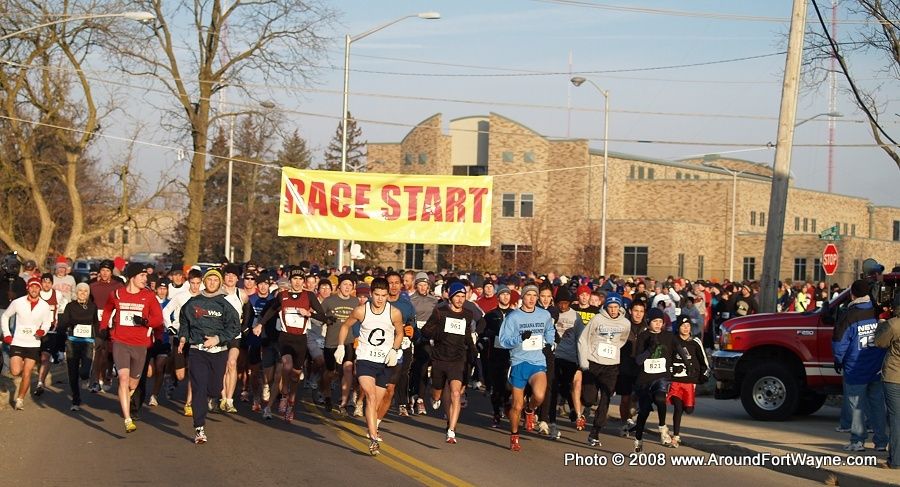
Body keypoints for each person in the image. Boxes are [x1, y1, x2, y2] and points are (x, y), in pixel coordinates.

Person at [334, 277, 403, 455]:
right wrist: (340, 346)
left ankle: (371, 428)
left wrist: (394, 350)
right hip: (365, 360)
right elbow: (345, 326)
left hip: (385, 362)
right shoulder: (361, 311)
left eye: (384, 295)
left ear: (387, 295)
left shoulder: (394, 313)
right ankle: (373, 439)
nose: (380, 299)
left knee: (376, 402)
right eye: (377, 295)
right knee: (371, 397)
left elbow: (399, 333)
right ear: (371, 294)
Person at [177, 268, 241, 444]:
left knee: (214, 389)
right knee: (199, 388)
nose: (212, 283)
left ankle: (211, 398)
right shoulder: (193, 302)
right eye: (209, 279)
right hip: (197, 351)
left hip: (219, 352)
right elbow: (184, 321)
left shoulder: (225, 304)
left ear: (220, 283)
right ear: (204, 281)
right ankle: (199, 428)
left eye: (216, 280)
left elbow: (235, 327)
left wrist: (217, 339)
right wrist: (183, 337)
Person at [100, 262, 164, 434]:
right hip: (120, 342)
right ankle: (128, 419)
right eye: (142, 276)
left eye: (146, 276)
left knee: (133, 383)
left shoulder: (148, 296)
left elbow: (158, 319)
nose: (145, 279)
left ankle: (126, 397)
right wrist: (104, 327)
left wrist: (144, 322)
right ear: (132, 277)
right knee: (123, 378)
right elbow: (107, 310)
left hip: (140, 345)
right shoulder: (117, 294)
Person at [257, 266, 326, 422]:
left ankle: (291, 403)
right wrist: (260, 324)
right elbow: (271, 311)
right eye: (295, 279)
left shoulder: (309, 296)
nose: (297, 282)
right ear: (290, 280)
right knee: (286, 366)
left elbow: (322, 316)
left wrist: (309, 313)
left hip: (300, 340)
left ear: (304, 281)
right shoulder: (283, 295)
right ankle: (284, 395)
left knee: (295, 376)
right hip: (285, 337)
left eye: (300, 279)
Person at [498, 284, 555, 452]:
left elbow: (550, 330)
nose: (531, 298)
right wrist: (519, 338)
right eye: (528, 295)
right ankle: (514, 435)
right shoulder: (513, 317)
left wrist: (549, 343)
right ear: (522, 297)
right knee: (516, 406)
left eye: (534, 295)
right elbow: (503, 341)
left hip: (537, 362)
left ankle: (530, 410)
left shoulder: (544, 315)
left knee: (539, 395)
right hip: (518, 362)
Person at [833, 279, 888, 452]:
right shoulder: (877, 312)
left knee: (856, 406)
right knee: (877, 406)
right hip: (876, 366)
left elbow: (839, 342)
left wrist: (838, 360)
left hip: (855, 368)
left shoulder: (849, 316)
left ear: (852, 295)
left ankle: (858, 441)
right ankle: (881, 442)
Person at [421, 281, 476, 444]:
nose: (460, 300)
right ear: (450, 297)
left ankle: (451, 430)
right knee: (437, 393)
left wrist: (473, 349)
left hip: (458, 358)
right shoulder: (440, 312)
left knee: (456, 393)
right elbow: (425, 331)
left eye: (463, 296)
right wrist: (439, 333)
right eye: (457, 296)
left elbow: (467, 333)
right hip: (440, 357)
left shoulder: (468, 314)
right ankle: (434, 397)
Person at [578, 292, 630, 447]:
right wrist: (584, 361)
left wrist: (613, 350)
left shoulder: (625, 323)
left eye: (616, 307)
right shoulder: (597, 319)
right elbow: (584, 339)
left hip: (611, 366)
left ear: (619, 307)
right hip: (594, 362)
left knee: (606, 398)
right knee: (589, 399)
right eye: (610, 307)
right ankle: (585, 405)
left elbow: (622, 339)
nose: (613, 310)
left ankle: (595, 433)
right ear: (606, 307)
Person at [2, 278, 53, 410]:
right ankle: (21, 362)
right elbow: (5, 316)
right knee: (15, 371)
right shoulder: (17, 302)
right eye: (32, 287)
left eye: (37, 287)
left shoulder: (44, 306)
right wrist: (7, 334)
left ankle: (20, 400)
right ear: (28, 288)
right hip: (18, 341)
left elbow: (47, 322)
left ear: (40, 289)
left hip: (33, 343)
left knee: (27, 372)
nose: (34, 289)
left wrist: (43, 330)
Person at [632, 308, 679, 452]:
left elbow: (679, 349)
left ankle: (662, 427)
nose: (658, 324)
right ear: (648, 322)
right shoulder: (643, 336)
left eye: (660, 321)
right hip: (644, 380)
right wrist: (649, 350)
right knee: (644, 412)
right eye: (655, 321)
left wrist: (686, 366)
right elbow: (638, 361)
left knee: (660, 399)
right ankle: (638, 441)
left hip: (661, 377)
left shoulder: (668, 336)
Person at [163, 269, 203, 416]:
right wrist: (170, 326)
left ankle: (188, 403)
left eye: (198, 283)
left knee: (194, 372)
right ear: (188, 282)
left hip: (196, 339)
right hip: (179, 336)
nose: (195, 286)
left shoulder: (204, 298)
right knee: (181, 375)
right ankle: (172, 378)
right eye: (193, 283)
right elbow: (166, 311)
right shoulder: (180, 297)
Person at [378, 271, 417, 419]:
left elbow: (412, 322)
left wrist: (412, 329)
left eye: (396, 283)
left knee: (403, 373)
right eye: (390, 283)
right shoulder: (378, 301)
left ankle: (401, 403)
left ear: (401, 285)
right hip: (382, 344)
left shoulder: (406, 305)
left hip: (402, 344)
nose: (393, 286)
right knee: (382, 374)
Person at [548, 285, 584, 439]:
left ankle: (573, 408)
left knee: (567, 386)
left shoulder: (576, 317)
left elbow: (581, 339)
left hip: (570, 357)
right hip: (554, 356)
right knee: (553, 388)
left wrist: (582, 360)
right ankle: (552, 422)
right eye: (560, 303)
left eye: (565, 303)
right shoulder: (552, 314)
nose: (562, 306)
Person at [668, 315, 709, 448]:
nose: (686, 328)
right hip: (675, 381)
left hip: (690, 381)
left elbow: (704, 361)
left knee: (689, 409)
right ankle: (675, 436)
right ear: (678, 327)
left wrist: (703, 375)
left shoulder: (696, 342)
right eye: (683, 325)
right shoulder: (673, 341)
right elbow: (667, 359)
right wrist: (672, 370)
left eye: (688, 325)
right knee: (678, 407)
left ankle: (686, 408)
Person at [321, 273, 359, 416]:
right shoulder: (329, 301)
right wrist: (325, 319)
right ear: (339, 286)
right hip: (331, 342)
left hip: (349, 341)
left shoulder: (356, 302)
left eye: (350, 285)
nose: (347, 287)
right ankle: (326, 394)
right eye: (345, 284)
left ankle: (343, 402)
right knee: (331, 372)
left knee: (348, 369)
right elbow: (318, 315)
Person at [58, 282, 99, 411]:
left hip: (87, 342)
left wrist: (98, 338)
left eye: (85, 291)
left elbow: (96, 323)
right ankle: (76, 400)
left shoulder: (93, 306)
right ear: (76, 292)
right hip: (72, 342)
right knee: (72, 373)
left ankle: (85, 377)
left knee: (84, 372)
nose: (82, 293)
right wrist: (69, 324)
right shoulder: (70, 306)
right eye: (80, 290)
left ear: (88, 293)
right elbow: (64, 322)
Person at [480, 284, 515, 428]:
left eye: (508, 294)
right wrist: (486, 336)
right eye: (503, 294)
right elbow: (482, 332)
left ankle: (505, 402)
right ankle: (496, 413)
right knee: (496, 386)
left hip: (511, 355)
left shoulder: (515, 314)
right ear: (498, 296)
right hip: (494, 355)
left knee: (508, 386)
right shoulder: (490, 315)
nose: (505, 297)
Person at [89, 259, 124, 393]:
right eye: (102, 270)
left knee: (109, 352)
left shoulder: (118, 285)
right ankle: (96, 380)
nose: (104, 273)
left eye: (107, 271)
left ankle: (108, 373)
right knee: (98, 351)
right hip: (98, 323)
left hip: (113, 323)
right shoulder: (93, 286)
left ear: (111, 272)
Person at [874, 293, 900, 469]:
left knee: (896, 418)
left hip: (894, 376)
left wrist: (881, 325)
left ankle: (896, 460)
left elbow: (879, 342)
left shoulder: (893, 324)